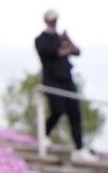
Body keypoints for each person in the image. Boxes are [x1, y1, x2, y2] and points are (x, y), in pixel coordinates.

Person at [35, 9, 98, 164]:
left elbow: (77, 51)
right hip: (51, 81)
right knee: (58, 110)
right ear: (46, 21)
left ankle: (79, 149)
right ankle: (44, 136)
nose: (53, 22)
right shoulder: (41, 39)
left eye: (55, 19)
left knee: (75, 114)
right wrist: (65, 50)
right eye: (51, 19)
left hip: (67, 80)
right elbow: (49, 53)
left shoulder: (61, 38)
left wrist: (69, 41)